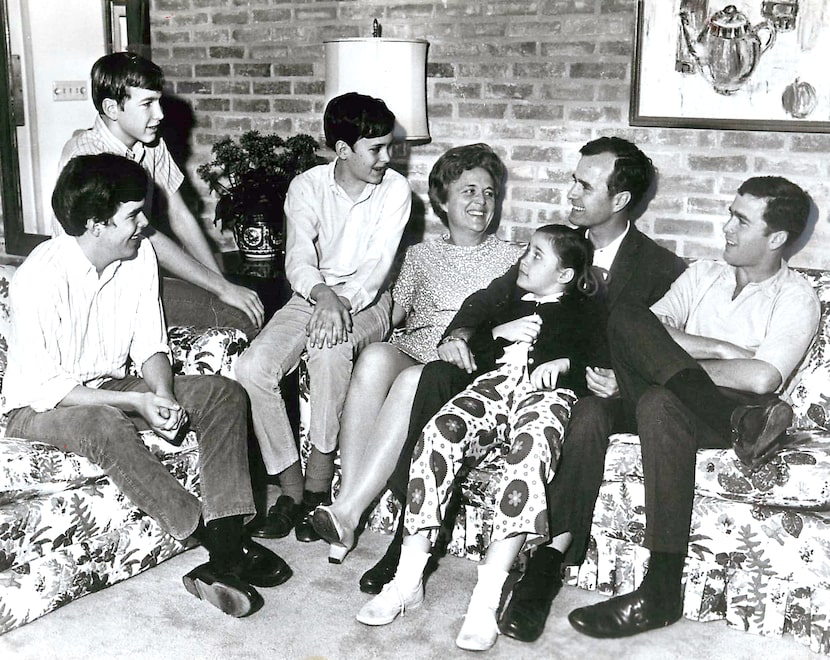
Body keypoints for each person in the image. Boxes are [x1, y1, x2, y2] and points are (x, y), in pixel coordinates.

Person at [359, 137, 687, 601]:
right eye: (573, 180)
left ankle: (546, 566)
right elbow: (486, 301)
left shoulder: (662, 269)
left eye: (584, 185)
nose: (571, 193)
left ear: (620, 200)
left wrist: (620, 379)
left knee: (589, 416)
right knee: (437, 374)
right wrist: (458, 336)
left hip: (588, 388)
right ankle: (410, 539)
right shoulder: (551, 245)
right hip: (512, 375)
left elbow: (658, 347)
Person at [1, 154, 291, 618]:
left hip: (110, 382)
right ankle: (216, 544)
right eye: (132, 215)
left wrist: (163, 394)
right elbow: (47, 386)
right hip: (38, 406)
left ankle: (226, 542)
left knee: (222, 393)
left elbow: (151, 344)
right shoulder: (40, 275)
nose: (144, 224)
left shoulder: (137, 256)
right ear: (95, 224)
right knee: (104, 420)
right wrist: (136, 398)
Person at [567, 176, 820, 639]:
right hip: (725, 415)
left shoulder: (796, 296)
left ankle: (661, 590)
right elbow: (647, 326)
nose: (725, 227)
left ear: (776, 238)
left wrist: (664, 361)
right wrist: (724, 350)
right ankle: (553, 558)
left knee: (662, 398)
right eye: (730, 213)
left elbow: (763, 377)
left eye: (741, 221)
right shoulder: (704, 273)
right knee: (600, 387)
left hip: (729, 411)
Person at [353, 225, 607, 651]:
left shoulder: (584, 310)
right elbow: (477, 352)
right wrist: (498, 334)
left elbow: (599, 360)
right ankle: (406, 582)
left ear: (564, 275)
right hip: (494, 388)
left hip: (545, 397)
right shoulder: (510, 300)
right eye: (526, 251)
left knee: (528, 456)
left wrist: (564, 363)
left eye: (537, 256)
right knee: (440, 432)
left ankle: (485, 601)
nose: (523, 261)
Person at [309, 143, 523, 563]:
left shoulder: (513, 258)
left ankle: (348, 512)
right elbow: (393, 312)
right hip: (415, 348)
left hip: (462, 365)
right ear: (443, 199)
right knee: (374, 359)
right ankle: (347, 506)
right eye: (468, 191)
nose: (481, 202)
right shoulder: (420, 255)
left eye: (489, 193)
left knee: (412, 379)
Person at [237, 92, 412, 543]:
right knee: (253, 367)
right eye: (375, 149)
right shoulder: (307, 186)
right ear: (342, 149)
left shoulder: (396, 191)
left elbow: (376, 270)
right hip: (309, 296)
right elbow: (297, 258)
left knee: (328, 352)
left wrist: (341, 302)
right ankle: (290, 492)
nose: (386, 158)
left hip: (369, 303)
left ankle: (317, 488)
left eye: (389, 146)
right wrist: (322, 295)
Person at [58, 52, 264, 336]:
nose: (160, 114)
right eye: (147, 104)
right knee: (240, 319)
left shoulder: (151, 144)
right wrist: (221, 288)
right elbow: (145, 234)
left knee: (240, 305)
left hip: (137, 274)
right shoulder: (90, 156)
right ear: (112, 108)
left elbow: (180, 215)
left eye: (158, 101)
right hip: (100, 292)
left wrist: (222, 283)